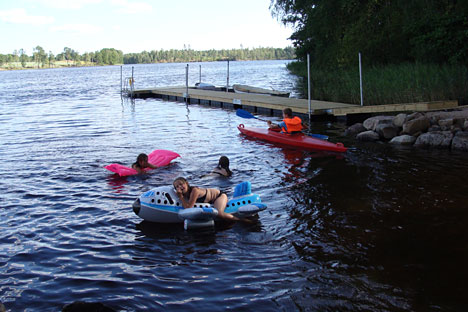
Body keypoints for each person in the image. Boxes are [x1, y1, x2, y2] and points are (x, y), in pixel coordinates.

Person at [173, 177, 241, 222]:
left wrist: (180, 197)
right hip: (211, 200)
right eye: (177, 187)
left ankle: (241, 220)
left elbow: (188, 208)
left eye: (181, 184)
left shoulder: (194, 191)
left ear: (187, 183)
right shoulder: (185, 194)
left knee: (219, 214)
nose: (180, 187)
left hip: (219, 196)